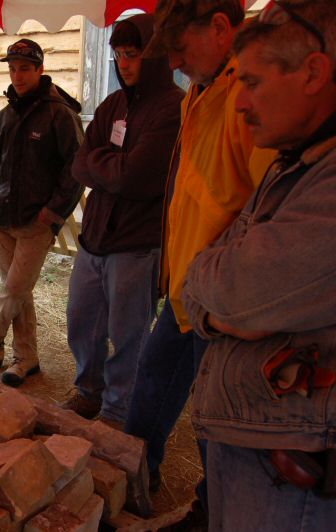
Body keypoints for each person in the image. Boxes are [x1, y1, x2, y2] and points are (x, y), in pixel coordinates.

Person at [182, 1, 336, 528]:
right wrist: (217, 306)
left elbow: (233, 285)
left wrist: (217, 299)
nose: (240, 102)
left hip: (297, 476)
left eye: (252, 81)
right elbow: (208, 278)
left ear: (313, 72)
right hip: (262, 443)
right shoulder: (295, 161)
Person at [122, 0, 276, 523]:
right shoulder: (203, 91)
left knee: (217, 421)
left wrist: (227, 286)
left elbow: (272, 208)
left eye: (181, 51)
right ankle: (132, 479)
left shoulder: (250, 93)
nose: (177, 64)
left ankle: (214, 513)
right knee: (151, 383)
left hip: (226, 302)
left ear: (218, 27)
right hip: (188, 289)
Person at [63, 14, 184, 427]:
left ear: (153, 57)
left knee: (128, 335)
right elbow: (80, 165)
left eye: (132, 55)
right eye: (118, 55)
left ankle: (117, 410)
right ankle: (89, 391)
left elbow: (136, 176)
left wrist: (109, 168)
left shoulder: (172, 108)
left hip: (137, 242)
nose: (123, 63)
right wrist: (112, 168)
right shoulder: (113, 104)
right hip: (95, 237)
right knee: (81, 322)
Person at [0, 38, 84, 387]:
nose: (18, 75)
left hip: (36, 223)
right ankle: (27, 358)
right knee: (18, 292)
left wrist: (53, 212)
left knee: (13, 289)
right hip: (3, 219)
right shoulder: (3, 118)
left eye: (25, 68)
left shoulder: (60, 115)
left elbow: (76, 168)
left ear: (40, 69)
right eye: (12, 68)